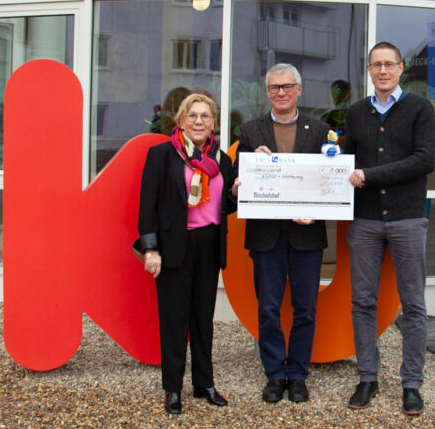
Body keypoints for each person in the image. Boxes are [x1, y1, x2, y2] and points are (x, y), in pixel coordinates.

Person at [344, 42, 435, 415]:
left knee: (413, 304)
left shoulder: (419, 108)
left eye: (389, 64)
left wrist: (370, 175)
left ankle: (411, 384)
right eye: (376, 65)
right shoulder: (356, 112)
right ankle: (367, 377)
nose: (382, 70)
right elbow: (346, 162)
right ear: (369, 70)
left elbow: (425, 159)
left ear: (400, 68)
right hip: (365, 220)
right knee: (362, 301)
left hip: (407, 218)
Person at [232, 63, 329, 404]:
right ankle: (274, 374)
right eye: (274, 87)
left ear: (299, 90)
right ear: (267, 92)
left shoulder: (320, 130)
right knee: (268, 308)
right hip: (266, 235)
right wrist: (247, 172)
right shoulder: (251, 130)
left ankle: (298, 375)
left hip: (307, 234)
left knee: (306, 309)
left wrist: (316, 212)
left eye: (287, 86)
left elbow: (328, 181)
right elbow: (237, 181)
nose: (281, 93)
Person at [135, 93, 236, 415]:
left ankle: (205, 384)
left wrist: (236, 193)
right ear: (180, 121)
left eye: (205, 116)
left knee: (203, 321)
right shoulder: (161, 155)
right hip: (173, 247)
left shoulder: (221, 160)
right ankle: (173, 388)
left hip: (209, 246)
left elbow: (226, 205)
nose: (199, 122)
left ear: (213, 123)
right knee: (174, 321)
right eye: (192, 116)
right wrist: (151, 249)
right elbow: (147, 205)